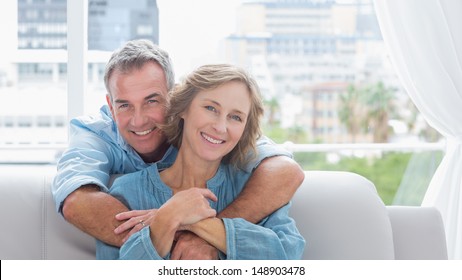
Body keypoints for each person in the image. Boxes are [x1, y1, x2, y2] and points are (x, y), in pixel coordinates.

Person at [52, 39, 304, 259]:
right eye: (125, 105)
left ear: (173, 99)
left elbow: (286, 176)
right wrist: (167, 219)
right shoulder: (121, 180)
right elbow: (77, 202)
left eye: (151, 101)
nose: (139, 120)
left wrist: (206, 230)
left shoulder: (247, 183)